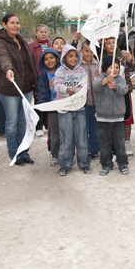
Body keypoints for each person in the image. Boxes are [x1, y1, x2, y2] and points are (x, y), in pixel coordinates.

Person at [0, 13, 39, 165]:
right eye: (12, 23)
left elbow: (31, 64)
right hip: (10, 89)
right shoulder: (1, 42)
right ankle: (14, 154)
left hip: (26, 88)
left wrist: (35, 84)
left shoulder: (22, 41)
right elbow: (3, 57)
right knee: (12, 122)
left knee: (23, 121)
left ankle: (23, 151)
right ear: (4, 24)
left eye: (17, 22)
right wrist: (8, 69)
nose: (15, 25)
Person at [53, 45, 91, 176]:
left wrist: (79, 92)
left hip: (79, 109)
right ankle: (65, 164)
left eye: (75, 56)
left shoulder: (81, 71)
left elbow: (86, 87)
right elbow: (56, 86)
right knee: (66, 138)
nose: (73, 58)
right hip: (64, 110)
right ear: (64, 58)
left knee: (81, 137)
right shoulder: (59, 72)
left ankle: (84, 163)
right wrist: (66, 90)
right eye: (70, 56)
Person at [101, 37, 135, 156]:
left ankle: (126, 142)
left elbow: (133, 68)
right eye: (108, 43)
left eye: (114, 42)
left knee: (127, 119)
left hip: (124, 91)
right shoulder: (102, 58)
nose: (112, 45)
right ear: (104, 45)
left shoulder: (123, 56)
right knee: (111, 120)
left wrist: (129, 61)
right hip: (108, 93)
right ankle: (112, 145)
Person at [93, 57, 129, 176]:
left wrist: (115, 86)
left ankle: (123, 164)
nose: (115, 70)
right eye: (111, 67)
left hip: (118, 117)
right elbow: (96, 87)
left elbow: (124, 90)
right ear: (105, 68)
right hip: (103, 118)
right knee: (105, 143)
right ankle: (106, 164)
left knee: (119, 142)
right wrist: (105, 81)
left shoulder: (120, 79)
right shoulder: (101, 77)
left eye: (117, 67)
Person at [36, 47, 61, 166]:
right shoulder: (43, 75)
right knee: (54, 133)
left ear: (57, 58)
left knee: (66, 132)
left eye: (51, 58)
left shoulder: (62, 71)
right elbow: (41, 91)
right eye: (46, 59)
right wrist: (42, 103)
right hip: (52, 108)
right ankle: (54, 154)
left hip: (64, 106)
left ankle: (66, 153)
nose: (49, 61)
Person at [29, 24, 51, 137]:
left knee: (50, 101)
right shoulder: (31, 46)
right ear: (36, 33)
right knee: (39, 101)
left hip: (51, 78)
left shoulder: (51, 45)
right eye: (41, 32)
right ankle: (39, 126)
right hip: (38, 79)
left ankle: (48, 125)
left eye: (45, 32)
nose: (43, 34)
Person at [79, 40, 100, 160]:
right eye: (86, 51)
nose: (89, 54)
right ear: (81, 51)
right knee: (84, 127)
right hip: (84, 103)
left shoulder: (98, 65)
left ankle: (94, 149)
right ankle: (85, 149)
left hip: (96, 102)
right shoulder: (78, 66)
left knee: (95, 127)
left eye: (92, 51)